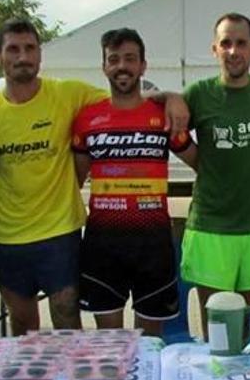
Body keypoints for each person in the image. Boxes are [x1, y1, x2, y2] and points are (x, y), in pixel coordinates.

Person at [0, 18, 188, 336]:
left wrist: (171, 96)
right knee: (23, 326)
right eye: (13, 49)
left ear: (40, 55)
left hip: (64, 233)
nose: (22, 57)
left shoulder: (70, 94)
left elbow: (127, 96)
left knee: (70, 321)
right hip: (11, 236)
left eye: (30, 48)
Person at [179, 13, 250, 336]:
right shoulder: (199, 94)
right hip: (211, 228)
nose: (234, 51)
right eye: (226, 43)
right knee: (218, 334)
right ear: (214, 49)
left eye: (241, 43)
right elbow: (171, 133)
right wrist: (202, 163)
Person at [72, 28, 193, 337]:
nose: (121, 66)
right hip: (103, 245)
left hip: (153, 245)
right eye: (114, 59)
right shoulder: (86, 119)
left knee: (150, 346)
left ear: (143, 66)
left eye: (130, 58)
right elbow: (72, 179)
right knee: (110, 345)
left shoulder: (163, 115)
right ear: (104, 67)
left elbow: (202, 164)